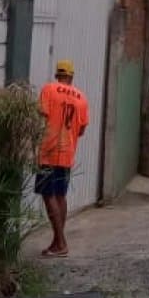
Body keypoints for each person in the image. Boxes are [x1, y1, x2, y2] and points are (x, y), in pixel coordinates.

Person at [35, 59, 89, 257]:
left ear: (57, 74)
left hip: (49, 152)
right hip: (67, 153)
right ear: (71, 76)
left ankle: (61, 243)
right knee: (60, 196)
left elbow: (41, 114)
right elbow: (82, 129)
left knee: (48, 196)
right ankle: (57, 242)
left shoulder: (49, 89)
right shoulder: (81, 98)